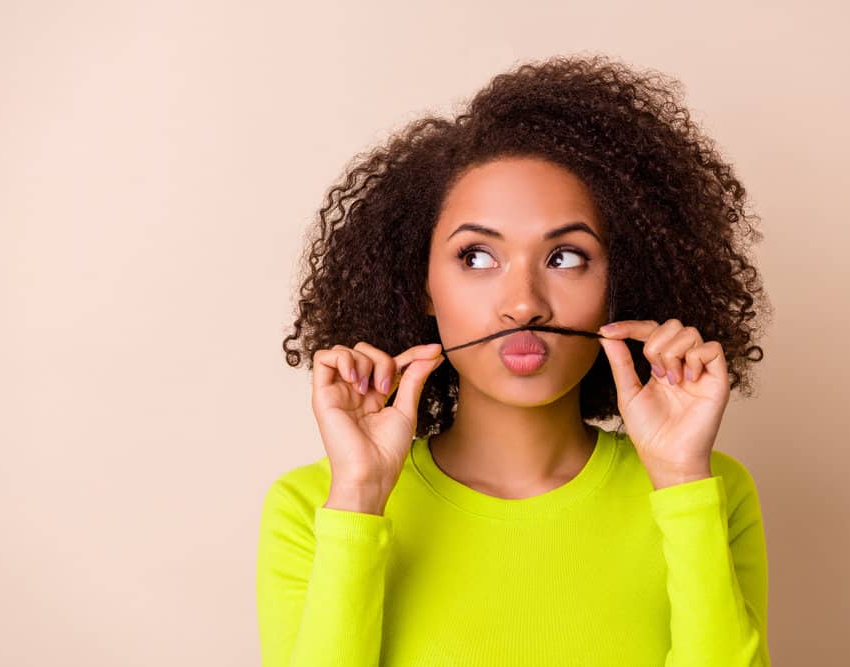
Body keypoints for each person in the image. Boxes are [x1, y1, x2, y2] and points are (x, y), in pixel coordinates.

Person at [258, 53, 773, 666]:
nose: (524, 304)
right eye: (477, 257)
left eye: (566, 257)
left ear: (621, 282)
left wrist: (682, 480)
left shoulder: (707, 489)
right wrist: (362, 494)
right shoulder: (313, 506)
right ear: (420, 284)